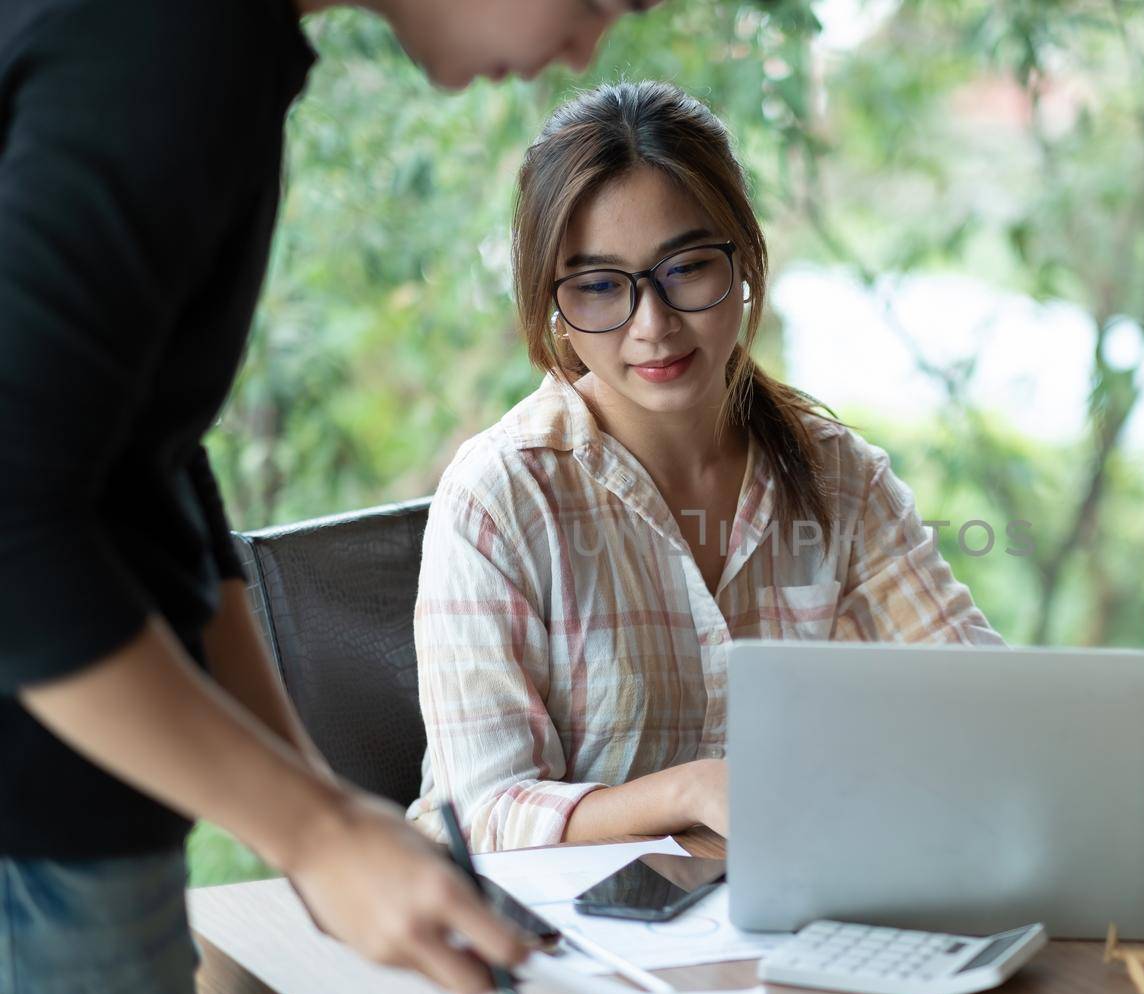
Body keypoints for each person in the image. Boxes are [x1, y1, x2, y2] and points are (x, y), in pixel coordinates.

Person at [0, 1, 659, 994]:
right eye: (599, 1)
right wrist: (307, 829)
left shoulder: (215, 48)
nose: (587, 46)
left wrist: (323, 811)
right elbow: (17, 515)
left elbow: (144, 461)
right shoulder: (172, 43)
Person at [405, 81, 1002, 852]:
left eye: (685, 267)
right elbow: (478, 816)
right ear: (552, 302)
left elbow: (988, 713)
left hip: (792, 909)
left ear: (744, 258)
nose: (651, 325)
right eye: (597, 286)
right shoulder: (500, 495)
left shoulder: (834, 474)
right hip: (562, 946)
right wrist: (692, 788)